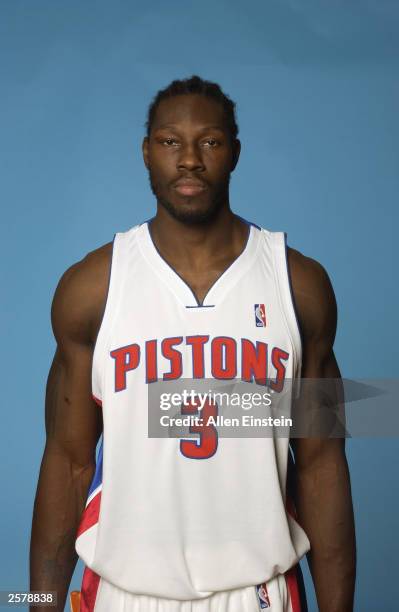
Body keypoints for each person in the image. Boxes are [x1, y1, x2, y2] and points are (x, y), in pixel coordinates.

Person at [30, 75, 356, 612]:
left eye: (209, 141)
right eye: (169, 142)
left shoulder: (296, 285)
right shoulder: (92, 288)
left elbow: (322, 462)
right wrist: (39, 603)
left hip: (259, 591)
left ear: (234, 153)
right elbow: (67, 462)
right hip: (123, 594)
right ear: (146, 152)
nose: (189, 160)